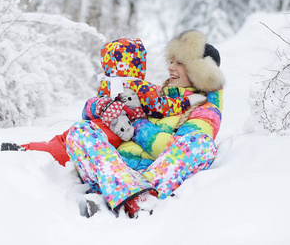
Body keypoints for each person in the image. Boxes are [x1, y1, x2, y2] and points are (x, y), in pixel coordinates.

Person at [65, 30, 224, 218]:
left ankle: (135, 198)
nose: (171, 67)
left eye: (179, 63)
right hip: (112, 172)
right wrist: (100, 106)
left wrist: (137, 122)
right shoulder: (155, 94)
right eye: (171, 61)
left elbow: (170, 150)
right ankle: (124, 198)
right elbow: (93, 112)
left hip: (151, 178)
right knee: (80, 130)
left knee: (202, 145)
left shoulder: (206, 110)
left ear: (199, 71)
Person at [0, 38, 204, 167]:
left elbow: (96, 104)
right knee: (69, 151)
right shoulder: (141, 87)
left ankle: (27, 148)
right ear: (138, 64)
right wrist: (187, 100)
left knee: (61, 140)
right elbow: (160, 107)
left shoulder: (107, 83)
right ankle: (35, 155)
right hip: (111, 132)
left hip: (92, 123)